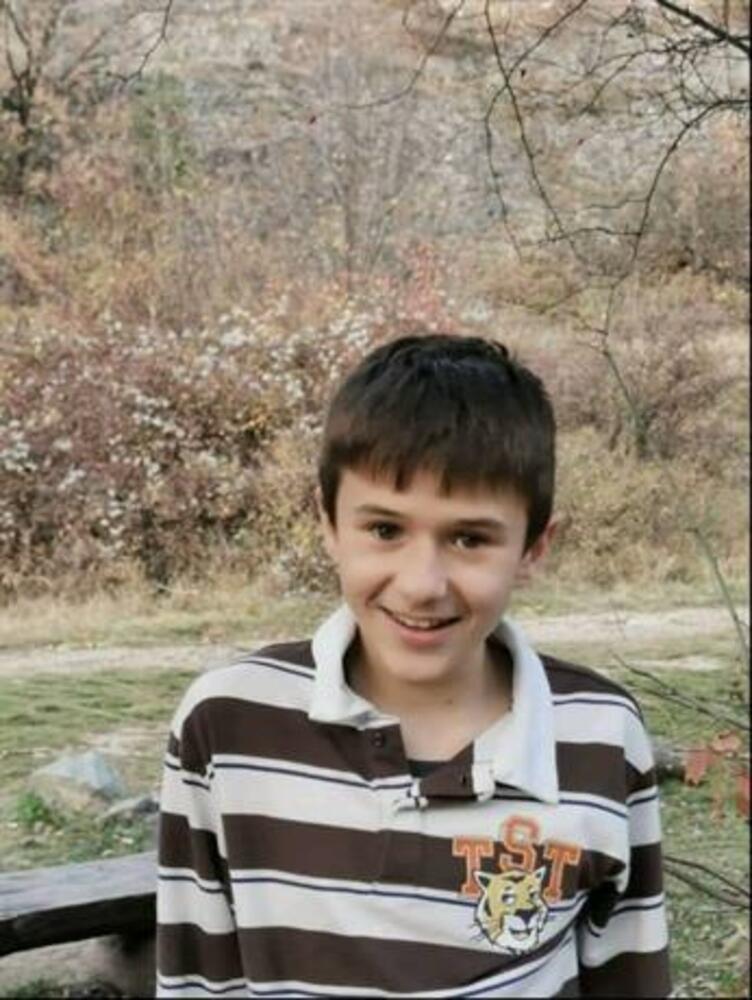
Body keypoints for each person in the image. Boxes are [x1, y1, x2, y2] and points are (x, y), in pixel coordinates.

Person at [156, 334, 671, 998]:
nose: (422, 584)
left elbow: (630, 977)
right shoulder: (228, 724)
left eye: (469, 538)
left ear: (534, 548)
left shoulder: (600, 735)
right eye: (384, 530)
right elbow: (198, 980)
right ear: (328, 522)